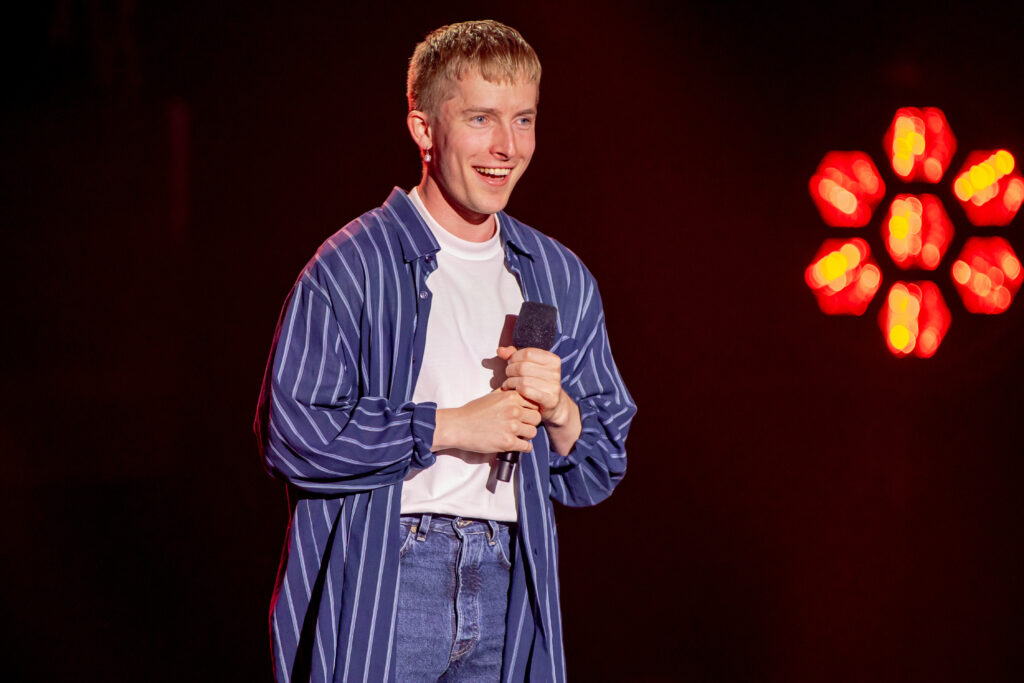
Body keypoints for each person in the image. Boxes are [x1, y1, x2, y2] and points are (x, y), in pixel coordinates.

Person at [255, 19, 635, 682]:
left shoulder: (554, 275)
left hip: (509, 572)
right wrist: (453, 424)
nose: (506, 146)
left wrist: (561, 410)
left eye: (523, 119)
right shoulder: (354, 264)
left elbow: (602, 460)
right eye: (481, 118)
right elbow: (291, 432)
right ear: (424, 129)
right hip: (395, 568)